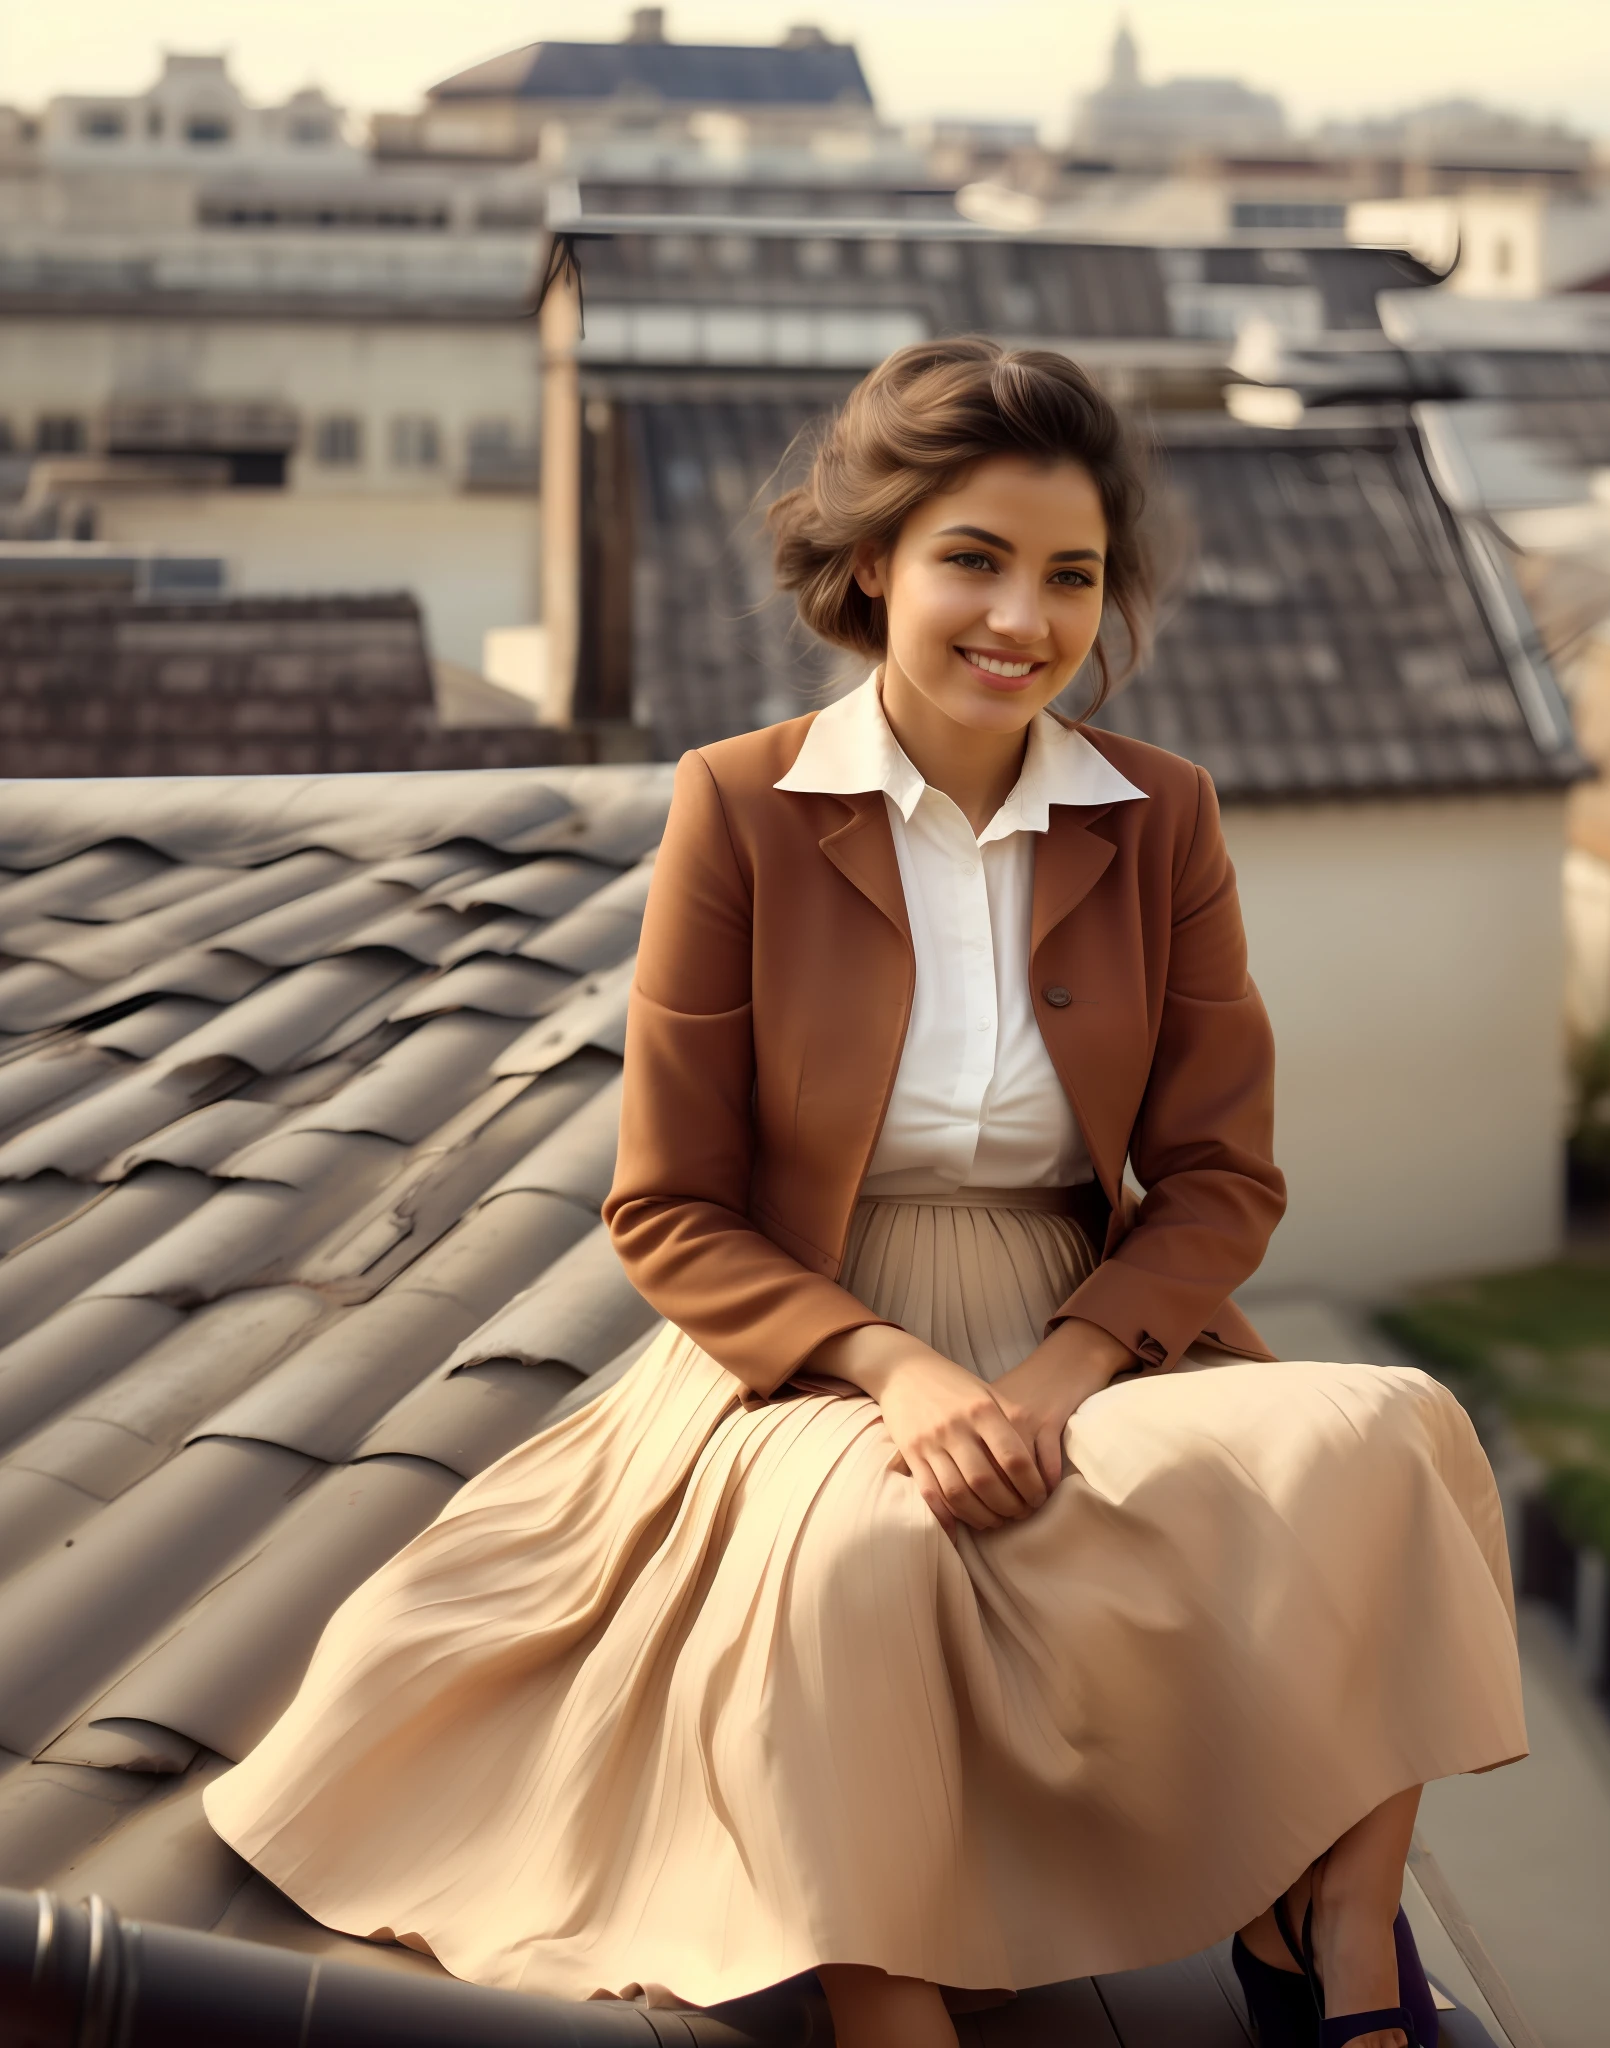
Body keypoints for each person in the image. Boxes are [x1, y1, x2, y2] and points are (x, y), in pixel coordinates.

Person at [205, 338, 1526, 2048]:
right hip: (816, 1340)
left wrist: (1057, 1378)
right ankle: (885, 2008)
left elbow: (1220, 1178)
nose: (1023, 620)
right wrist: (903, 1377)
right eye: (975, 558)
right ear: (875, 564)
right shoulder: (741, 809)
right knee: (868, 1559)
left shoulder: (1164, 820)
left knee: (1392, 1433)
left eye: (1073, 576)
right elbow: (668, 1207)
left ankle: (1333, 1943)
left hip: (1084, 1325)